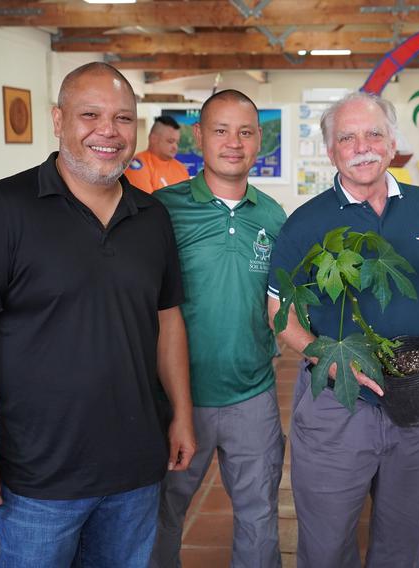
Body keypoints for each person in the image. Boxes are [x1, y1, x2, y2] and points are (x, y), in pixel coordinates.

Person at [0, 62, 196, 567]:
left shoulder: (152, 217)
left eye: (123, 118)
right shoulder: (3, 208)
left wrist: (181, 414)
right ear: (58, 120)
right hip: (41, 476)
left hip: (137, 468)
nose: (108, 131)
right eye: (90, 114)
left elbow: (167, 322)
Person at [267, 91, 419, 568]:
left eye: (374, 133)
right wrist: (328, 358)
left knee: (401, 542)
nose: (363, 146)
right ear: (331, 150)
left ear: (393, 142)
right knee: (326, 543)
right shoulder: (307, 222)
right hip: (336, 404)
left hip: (412, 399)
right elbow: (279, 313)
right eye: (347, 137)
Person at [150, 90, 286, 568]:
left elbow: (280, 308)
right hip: (176, 398)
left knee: (259, 516)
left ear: (259, 142)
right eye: (221, 130)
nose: (234, 142)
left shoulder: (273, 217)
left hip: (254, 395)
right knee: (161, 515)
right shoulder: (160, 211)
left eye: (245, 131)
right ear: (199, 138)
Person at [125, 115, 190, 193]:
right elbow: (147, 202)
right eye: (170, 141)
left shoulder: (181, 168)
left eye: (177, 142)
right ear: (153, 139)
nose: (175, 147)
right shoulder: (137, 165)